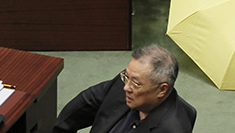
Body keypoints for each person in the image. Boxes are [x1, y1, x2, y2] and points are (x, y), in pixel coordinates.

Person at [53, 44, 196, 133]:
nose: (126, 87)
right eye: (126, 77)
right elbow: (88, 101)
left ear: (162, 90)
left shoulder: (171, 129)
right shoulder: (128, 81)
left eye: (136, 83)